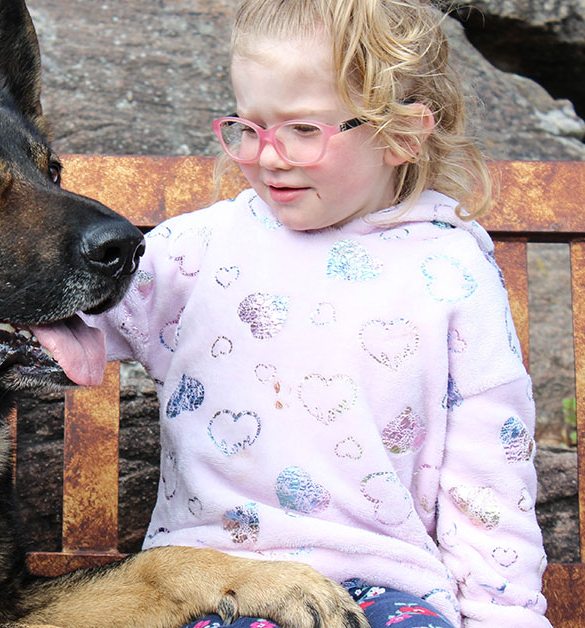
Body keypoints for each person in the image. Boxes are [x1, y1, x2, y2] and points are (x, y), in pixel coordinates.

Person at [81, 0, 551, 626]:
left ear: (402, 135)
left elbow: (488, 481)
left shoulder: (453, 275)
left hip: (383, 586)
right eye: (249, 127)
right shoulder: (197, 249)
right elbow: (72, 323)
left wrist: (506, 617)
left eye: (303, 130)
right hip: (215, 583)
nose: (268, 156)